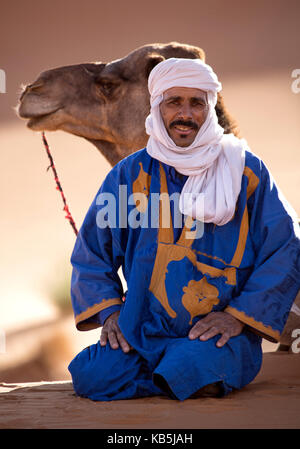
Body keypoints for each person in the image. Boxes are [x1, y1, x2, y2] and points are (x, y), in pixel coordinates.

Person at [68, 58, 300, 401]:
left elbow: (285, 247)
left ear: (209, 109)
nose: (185, 114)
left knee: (193, 364)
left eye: (197, 103)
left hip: (217, 335)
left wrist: (237, 318)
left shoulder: (246, 172)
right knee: (91, 375)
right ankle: (169, 376)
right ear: (156, 106)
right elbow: (91, 253)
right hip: (142, 327)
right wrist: (110, 312)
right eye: (174, 102)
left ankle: (177, 374)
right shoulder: (128, 176)